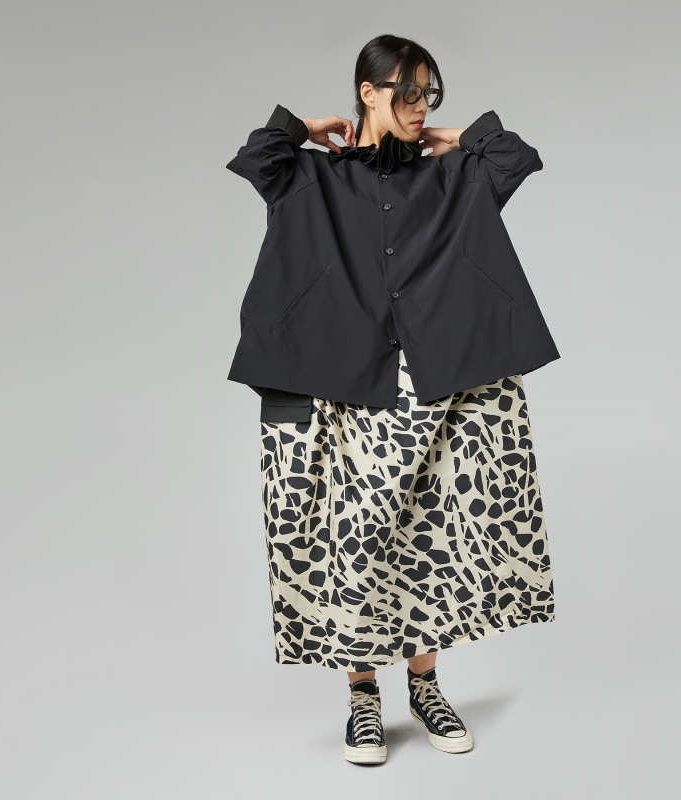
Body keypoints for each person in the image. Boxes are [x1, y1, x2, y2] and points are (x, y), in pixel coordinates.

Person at [225, 34, 559, 765]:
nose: (419, 106)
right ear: (367, 92)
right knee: (351, 533)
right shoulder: (314, 176)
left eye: (428, 93)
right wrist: (304, 127)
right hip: (339, 380)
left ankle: (426, 686)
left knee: (429, 529)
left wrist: (462, 136)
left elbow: (516, 159)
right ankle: (363, 698)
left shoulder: (452, 177)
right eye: (405, 91)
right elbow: (258, 159)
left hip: (436, 382)